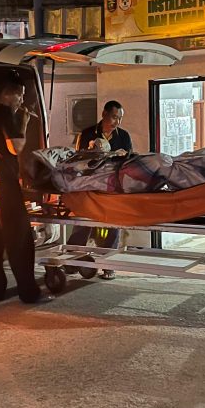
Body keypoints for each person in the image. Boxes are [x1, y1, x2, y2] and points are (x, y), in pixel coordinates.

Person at [0, 77, 53, 304]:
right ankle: (29, 293)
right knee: (19, 237)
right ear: (10, 94)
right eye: (20, 96)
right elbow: (15, 146)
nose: (21, 101)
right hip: (3, 183)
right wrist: (24, 121)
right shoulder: (4, 113)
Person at [68, 100, 134, 279]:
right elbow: (77, 161)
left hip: (113, 186)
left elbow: (129, 161)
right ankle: (72, 261)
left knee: (113, 224)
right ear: (104, 114)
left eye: (119, 118)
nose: (116, 122)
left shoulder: (124, 136)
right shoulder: (88, 133)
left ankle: (108, 265)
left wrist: (118, 156)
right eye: (114, 117)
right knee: (83, 221)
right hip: (90, 184)